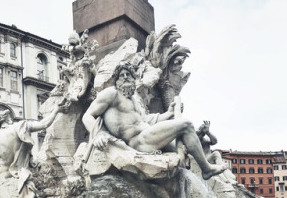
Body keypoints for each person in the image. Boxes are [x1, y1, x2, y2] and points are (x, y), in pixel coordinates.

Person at [82, 62, 226, 180]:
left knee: (184, 151)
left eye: (128, 75)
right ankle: (206, 169)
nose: (125, 77)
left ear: (134, 78)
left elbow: (147, 120)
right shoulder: (111, 94)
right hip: (137, 141)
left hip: (148, 135)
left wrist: (169, 113)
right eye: (121, 75)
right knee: (186, 125)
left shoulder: (133, 98)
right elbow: (87, 116)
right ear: (116, 80)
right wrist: (98, 134)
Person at [0, 105, 63, 198]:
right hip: (19, 174)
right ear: (7, 118)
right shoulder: (20, 126)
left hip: (0, 176)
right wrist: (57, 110)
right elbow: (43, 124)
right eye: (9, 116)